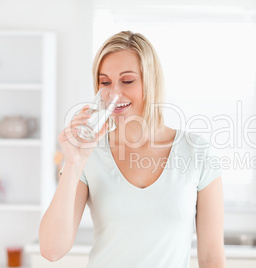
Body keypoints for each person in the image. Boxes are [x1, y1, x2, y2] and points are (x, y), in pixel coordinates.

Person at [39, 31, 225, 268]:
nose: (114, 93)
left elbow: (211, 258)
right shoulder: (89, 153)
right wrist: (74, 163)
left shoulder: (196, 152)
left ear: (151, 81)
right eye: (105, 82)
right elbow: (51, 250)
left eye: (127, 81)